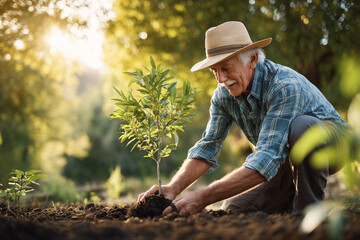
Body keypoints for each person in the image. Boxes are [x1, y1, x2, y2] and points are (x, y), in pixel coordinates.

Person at [137, 21, 351, 216]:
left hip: (333, 145)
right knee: (232, 209)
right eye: (215, 71)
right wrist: (173, 188)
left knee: (303, 127)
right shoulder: (223, 96)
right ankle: (287, 201)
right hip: (284, 157)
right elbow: (208, 146)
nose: (221, 79)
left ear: (253, 59)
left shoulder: (284, 87)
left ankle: (308, 212)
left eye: (226, 68)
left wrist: (203, 197)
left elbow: (266, 158)